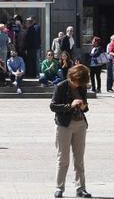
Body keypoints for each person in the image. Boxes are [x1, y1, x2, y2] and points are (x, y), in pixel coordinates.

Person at [50, 65, 91, 198]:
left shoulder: (82, 86)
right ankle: (59, 187)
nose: (78, 85)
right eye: (77, 82)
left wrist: (84, 107)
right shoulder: (61, 87)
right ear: (72, 77)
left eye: (81, 83)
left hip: (80, 124)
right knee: (63, 158)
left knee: (79, 158)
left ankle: (81, 188)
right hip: (64, 125)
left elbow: (85, 106)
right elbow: (53, 106)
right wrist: (70, 105)